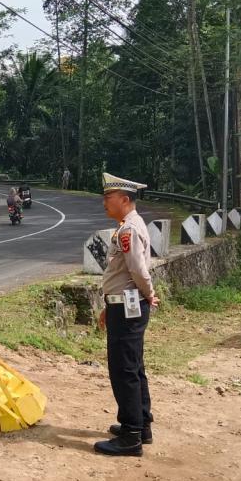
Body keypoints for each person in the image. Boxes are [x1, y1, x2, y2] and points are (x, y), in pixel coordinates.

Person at [94, 173, 160, 457]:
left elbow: (136, 270)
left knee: (124, 370)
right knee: (134, 366)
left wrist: (149, 293)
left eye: (108, 198)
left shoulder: (128, 230)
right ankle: (140, 425)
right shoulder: (130, 225)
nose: (105, 203)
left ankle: (131, 436)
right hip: (123, 304)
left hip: (129, 305)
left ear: (124, 199)